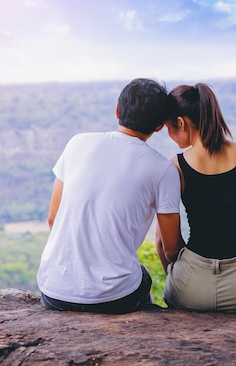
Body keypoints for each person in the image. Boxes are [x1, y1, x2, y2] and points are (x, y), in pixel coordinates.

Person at [37, 78, 183, 314]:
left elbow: (53, 219)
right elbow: (172, 248)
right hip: (114, 298)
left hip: (53, 291)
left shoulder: (77, 143)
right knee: (141, 277)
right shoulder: (163, 169)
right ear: (159, 126)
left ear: (117, 110)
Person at [156, 82, 236, 313]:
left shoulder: (174, 168)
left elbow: (164, 245)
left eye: (170, 127)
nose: (170, 134)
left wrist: (179, 274)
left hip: (191, 287)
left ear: (180, 123)